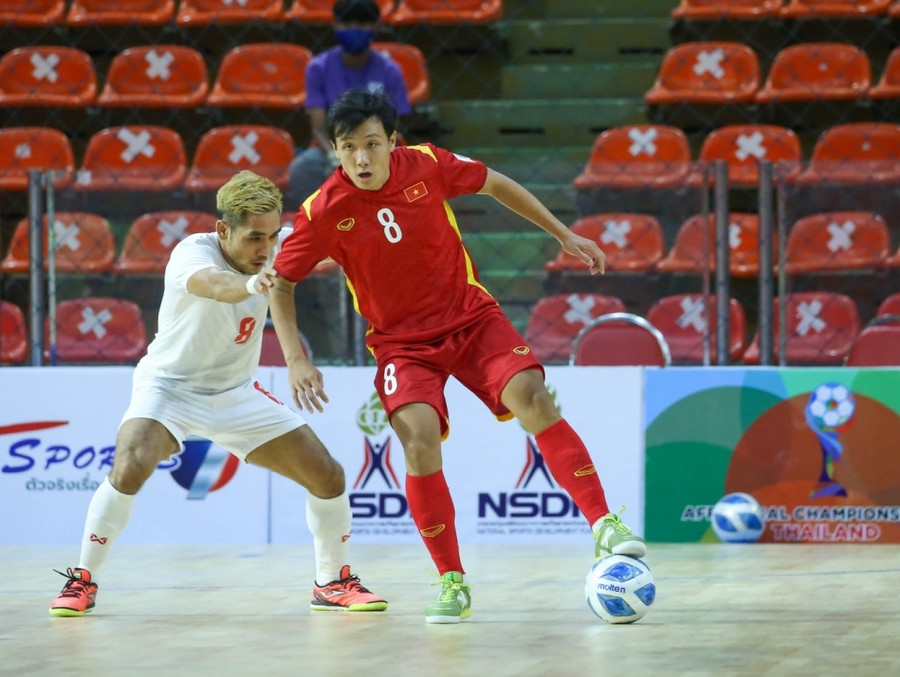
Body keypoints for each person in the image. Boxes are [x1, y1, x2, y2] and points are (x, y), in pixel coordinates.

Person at [268, 91, 647, 625]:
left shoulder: (426, 164)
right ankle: (452, 580)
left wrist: (561, 234)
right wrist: (295, 358)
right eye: (349, 147)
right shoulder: (322, 211)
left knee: (533, 397)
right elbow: (280, 284)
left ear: (392, 141)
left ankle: (605, 524)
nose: (361, 159)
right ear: (334, 150)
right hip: (402, 345)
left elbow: (495, 182)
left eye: (372, 144)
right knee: (418, 440)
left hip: (471, 320)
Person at [49, 170, 387, 617]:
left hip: (235, 393)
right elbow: (217, 286)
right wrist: (255, 282)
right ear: (223, 229)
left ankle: (331, 582)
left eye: (271, 236)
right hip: (169, 388)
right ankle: (83, 580)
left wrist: (371, 244)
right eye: (252, 238)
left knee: (328, 476)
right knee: (130, 464)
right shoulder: (192, 252)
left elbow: (330, 256)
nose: (265, 249)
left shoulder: (275, 247)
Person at [287, 0, 412, 209]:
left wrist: (373, 153)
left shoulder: (390, 70)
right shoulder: (318, 68)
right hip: (332, 148)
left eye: (362, 24)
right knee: (303, 168)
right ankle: (314, 224)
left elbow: (394, 126)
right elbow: (318, 127)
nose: (355, 29)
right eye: (348, 23)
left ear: (376, 27)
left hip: (380, 148)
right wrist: (336, 155)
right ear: (336, 26)